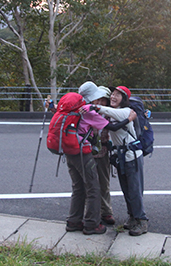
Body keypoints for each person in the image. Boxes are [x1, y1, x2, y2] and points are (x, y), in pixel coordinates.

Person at [45, 82, 136, 235]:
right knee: (93, 188)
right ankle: (92, 224)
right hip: (82, 153)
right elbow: (112, 127)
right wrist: (130, 118)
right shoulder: (88, 111)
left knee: (78, 187)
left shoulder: (73, 107)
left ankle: (73, 221)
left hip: (69, 152)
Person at [90, 86, 149, 236]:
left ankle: (142, 221)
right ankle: (132, 218)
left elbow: (109, 112)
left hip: (132, 156)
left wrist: (93, 106)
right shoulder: (112, 114)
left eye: (118, 95)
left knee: (135, 190)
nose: (113, 97)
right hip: (121, 156)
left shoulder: (126, 111)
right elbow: (109, 125)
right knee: (126, 189)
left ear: (124, 99)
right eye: (113, 94)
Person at [91, 86, 115, 225]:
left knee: (104, 183)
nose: (99, 103)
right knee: (89, 184)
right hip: (87, 152)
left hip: (103, 151)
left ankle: (106, 212)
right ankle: (90, 213)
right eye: (97, 99)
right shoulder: (86, 111)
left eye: (103, 100)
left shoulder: (109, 113)